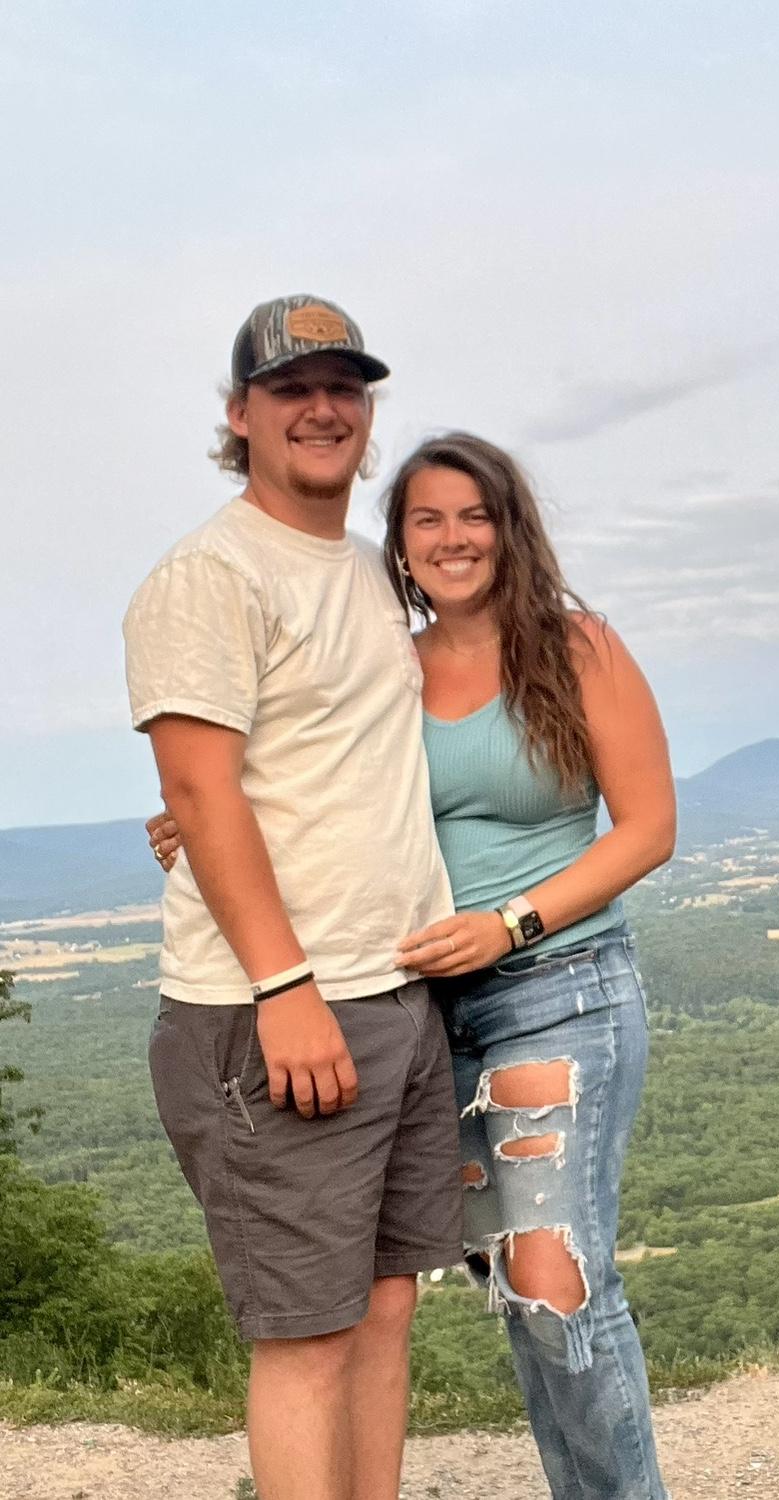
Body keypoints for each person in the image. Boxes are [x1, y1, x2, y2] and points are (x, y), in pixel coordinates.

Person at [152, 432, 677, 1500]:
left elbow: (649, 827)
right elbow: (317, 773)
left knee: (556, 1284)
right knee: (465, 1292)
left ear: (509, 528)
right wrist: (203, 814)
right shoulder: (390, 659)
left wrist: (512, 924)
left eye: (474, 515)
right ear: (397, 543)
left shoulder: (579, 648)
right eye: (426, 518)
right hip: (427, 1009)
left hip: (557, 988)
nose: (453, 538)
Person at [125, 294, 462, 1500]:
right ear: (240, 415)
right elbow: (199, 789)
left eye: (346, 387)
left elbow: (313, 767)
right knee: (307, 1340)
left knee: (380, 1314)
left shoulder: (370, 573)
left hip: (395, 993)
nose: (323, 408)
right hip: (279, 1007)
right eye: (291, 389)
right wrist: (285, 985)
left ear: (369, 416)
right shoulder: (209, 575)